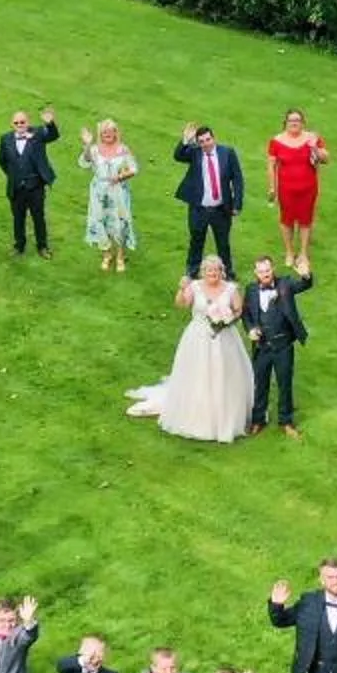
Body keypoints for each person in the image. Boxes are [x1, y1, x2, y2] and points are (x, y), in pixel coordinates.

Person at [127, 260, 252, 443]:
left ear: (222, 272)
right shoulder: (195, 287)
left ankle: (225, 417)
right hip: (198, 337)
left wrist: (227, 318)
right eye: (209, 270)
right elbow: (182, 304)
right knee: (198, 374)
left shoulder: (230, 289)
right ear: (203, 272)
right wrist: (182, 288)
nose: (212, 274)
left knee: (224, 374)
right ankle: (198, 417)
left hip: (224, 338)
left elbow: (239, 310)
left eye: (216, 270)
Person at [238, 255, 312, 438]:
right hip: (261, 346)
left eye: (268, 270)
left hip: (283, 345)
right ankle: (258, 420)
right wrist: (250, 329)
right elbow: (246, 314)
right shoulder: (251, 290)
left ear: (273, 269)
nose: (265, 274)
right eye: (261, 271)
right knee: (260, 384)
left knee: (285, 384)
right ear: (256, 272)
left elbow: (304, 285)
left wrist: (306, 275)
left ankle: (286, 422)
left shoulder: (285, 284)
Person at [174, 125, 244, 272]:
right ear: (198, 142)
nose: (206, 144)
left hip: (221, 209)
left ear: (214, 138)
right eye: (202, 141)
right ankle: (192, 271)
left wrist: (237, 203)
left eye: (208, 139)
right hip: (199, 209)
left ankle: (227, 272)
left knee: (223, 243)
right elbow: (178, 156)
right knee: (196, 242)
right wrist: (185, 140)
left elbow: (237, 178)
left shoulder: (227, 153)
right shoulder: (195, 153)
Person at [264, 110, 326, 273]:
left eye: (297, 120)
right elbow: (271, 165)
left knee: (306, 220)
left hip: (308, 188)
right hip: (286, 189)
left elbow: (325, 158)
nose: (294, 123)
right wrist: (272, 187)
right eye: (291, 120)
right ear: (285, 123)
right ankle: (290, 252)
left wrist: (315, 147)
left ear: (303, 122)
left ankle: (303, 253)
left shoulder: (311, 138)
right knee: (287, 220)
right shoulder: (276, 141)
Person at [78, 119, 140, 273]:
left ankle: (120, 256)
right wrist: (87, 144)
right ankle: (106, 254)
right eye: (104, 132)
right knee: (99, 221)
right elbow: (84, 162)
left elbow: (134, 168)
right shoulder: (94, 150)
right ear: (100, 134)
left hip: (118, 191)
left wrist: (120, 177)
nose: (107, 134)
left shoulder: (123, 149)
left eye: (110, 131)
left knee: (120, 223)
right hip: (99, 191)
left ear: (115, 133)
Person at [0, 105, 60, 257]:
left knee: (38, 217)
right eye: (16, 123)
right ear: (12, 124)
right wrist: (13, 175)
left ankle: (42, 247)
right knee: (18, 218)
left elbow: (53, 135)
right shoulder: (5, 139)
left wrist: (50, 123)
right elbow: (2, 161)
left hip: (35, 186)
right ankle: (19, 246)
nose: (20, 125)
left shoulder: (38, 134)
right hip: (16, 187)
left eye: (23, 122)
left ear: (28, 122)